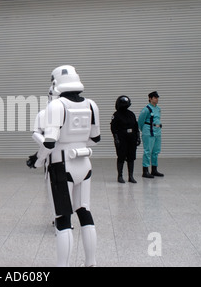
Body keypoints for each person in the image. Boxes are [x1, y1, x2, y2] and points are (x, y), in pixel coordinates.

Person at [33, 65, 100, 267]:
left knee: (62, 218)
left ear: (55, 83)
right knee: (84, 212)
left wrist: (37, 160)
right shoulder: (91, 105)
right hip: (84, 164)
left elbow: (49, 142)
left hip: (61, 165)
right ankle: (91, 263)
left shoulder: (56, 106)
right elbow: (95, 138)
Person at [110, 95, 140, 183]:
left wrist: (138, 137)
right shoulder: (116, 115)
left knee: (131, 157)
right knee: (121, 157)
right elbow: (113, 128)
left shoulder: (131, 114)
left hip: (132, 138)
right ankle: (120, 176)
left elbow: (135, 126)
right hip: (122, 138)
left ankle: (131, 176)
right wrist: (116, 139)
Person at [138, 91, 164, 178]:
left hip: (157, 132)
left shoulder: (158, 109)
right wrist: (144, 130)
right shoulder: (146, 109)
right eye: (155, 98)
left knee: (156, 151)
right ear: (150, 98)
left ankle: (154, 169)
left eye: (157, 98)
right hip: (148, 132)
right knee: (147, 151)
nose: (157, 99)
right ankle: (145, 170)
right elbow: (140, 122)